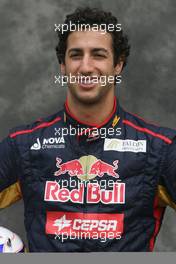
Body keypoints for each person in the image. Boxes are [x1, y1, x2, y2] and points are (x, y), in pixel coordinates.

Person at [0, 6, 176, 252]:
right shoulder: (24, 144)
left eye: (98, 55)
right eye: (75, 55)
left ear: (118, 65)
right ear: (63, 66)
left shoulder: (160, 148)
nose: (85, 67)